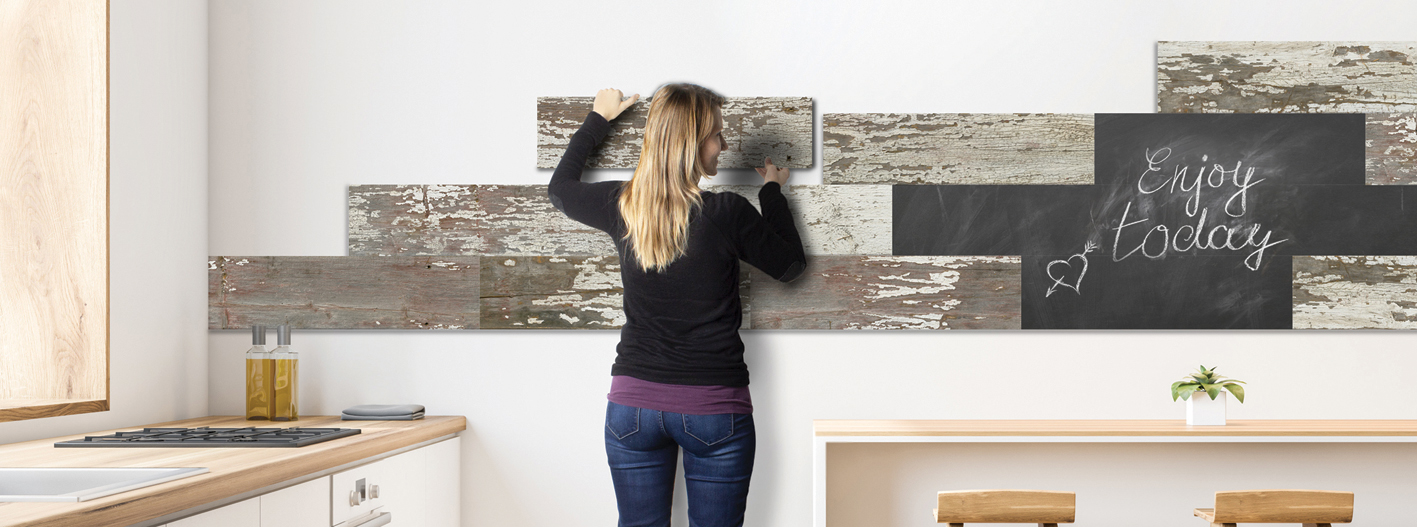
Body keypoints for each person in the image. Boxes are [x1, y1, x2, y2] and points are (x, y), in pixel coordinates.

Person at [548, 83, 806, 527]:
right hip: (713, 410)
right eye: (717, 135)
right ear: (691, 143)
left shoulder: (622, 205)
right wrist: (771, 192)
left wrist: (598, 118)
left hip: (631, 409)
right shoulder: (725, 212)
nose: (724, 144)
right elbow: (790, 266)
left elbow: (559, 190)